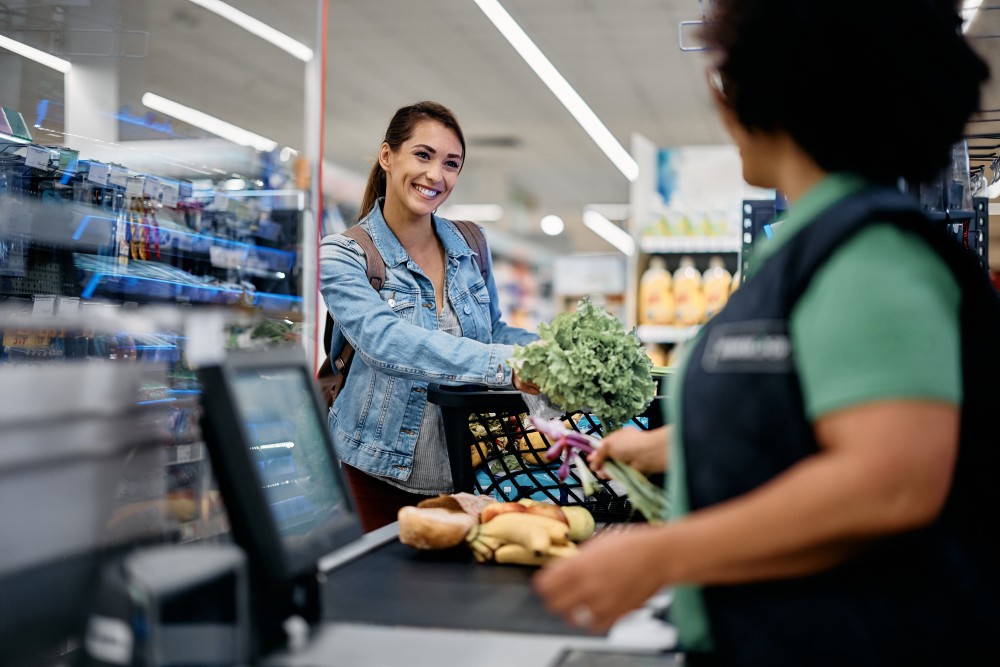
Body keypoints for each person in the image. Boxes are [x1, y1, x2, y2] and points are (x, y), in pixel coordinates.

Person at [534, 2, 998, 665]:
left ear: (775, 87)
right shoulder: (812, 246)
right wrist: (665, 445)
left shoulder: (873, 256)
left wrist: (660, 554)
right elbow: (798, 416)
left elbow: (889, 482)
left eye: (727, 74)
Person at [319, 101, 539, 532]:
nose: (436, 175)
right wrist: (505, 366)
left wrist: (550, 352)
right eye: (423, 155)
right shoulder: (344, 255)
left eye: (451, 164)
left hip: (469, 472)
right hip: (374, 475)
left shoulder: (469, 243)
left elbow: (492, 330)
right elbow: (385, 341)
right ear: (387, 156)